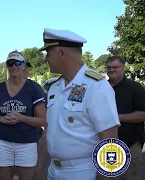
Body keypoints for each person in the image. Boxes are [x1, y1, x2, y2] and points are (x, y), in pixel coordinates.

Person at [36, 28, 121, 180]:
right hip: (53, 171)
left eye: (48, 53)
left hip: (83, 171)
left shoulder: (96, 86)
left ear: (62, 53)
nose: (46, 59)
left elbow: (110, 142)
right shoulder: (55, 87)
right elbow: (48, 133)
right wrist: (39, 170)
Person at [0, 50, 46, 180]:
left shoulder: (33, 88)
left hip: (27, 142)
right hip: (2, 140)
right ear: (6, 65)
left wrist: (21, 118)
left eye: (17, 63)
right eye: (10, 63)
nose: (14, 66)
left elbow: (43, 120)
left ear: (24, 65)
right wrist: (1, 119)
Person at [106, 56, 145, 180]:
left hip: (130, 144)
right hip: (105, 146)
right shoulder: (99, 88)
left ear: (123, 68)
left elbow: (142, 115)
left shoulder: (135, 88)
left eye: (115, 67)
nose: (112, 70)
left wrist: (115, 118)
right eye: (109, 67)